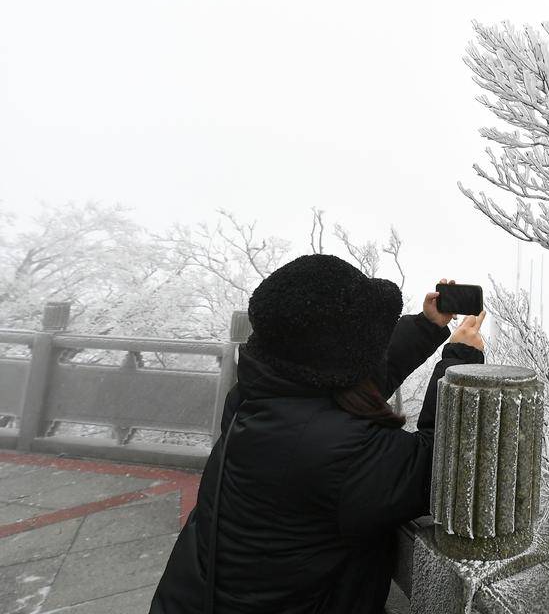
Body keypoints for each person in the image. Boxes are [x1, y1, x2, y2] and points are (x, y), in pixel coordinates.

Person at [149, 253, 486, 614]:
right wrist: (460, 362)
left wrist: (426, 326)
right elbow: (441, 466)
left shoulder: (257, 396)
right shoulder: (340, 453)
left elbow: (351, 382)